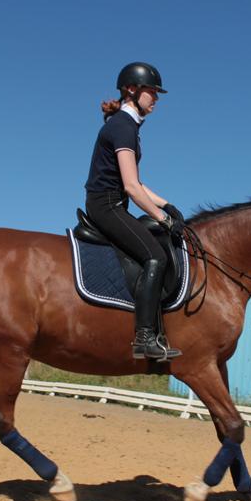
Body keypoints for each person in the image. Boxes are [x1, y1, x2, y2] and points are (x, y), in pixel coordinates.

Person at [84, 62, 186, 361]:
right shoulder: (123, 127)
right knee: (154, 255)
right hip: (106, 205)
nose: (156, 98)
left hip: (112, 202)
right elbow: (131, 188)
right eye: (152, 91)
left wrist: (167, 205)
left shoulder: (126, 126)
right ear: (132, 90)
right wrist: (163, 219)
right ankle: (144, 338)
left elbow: (137, 182)